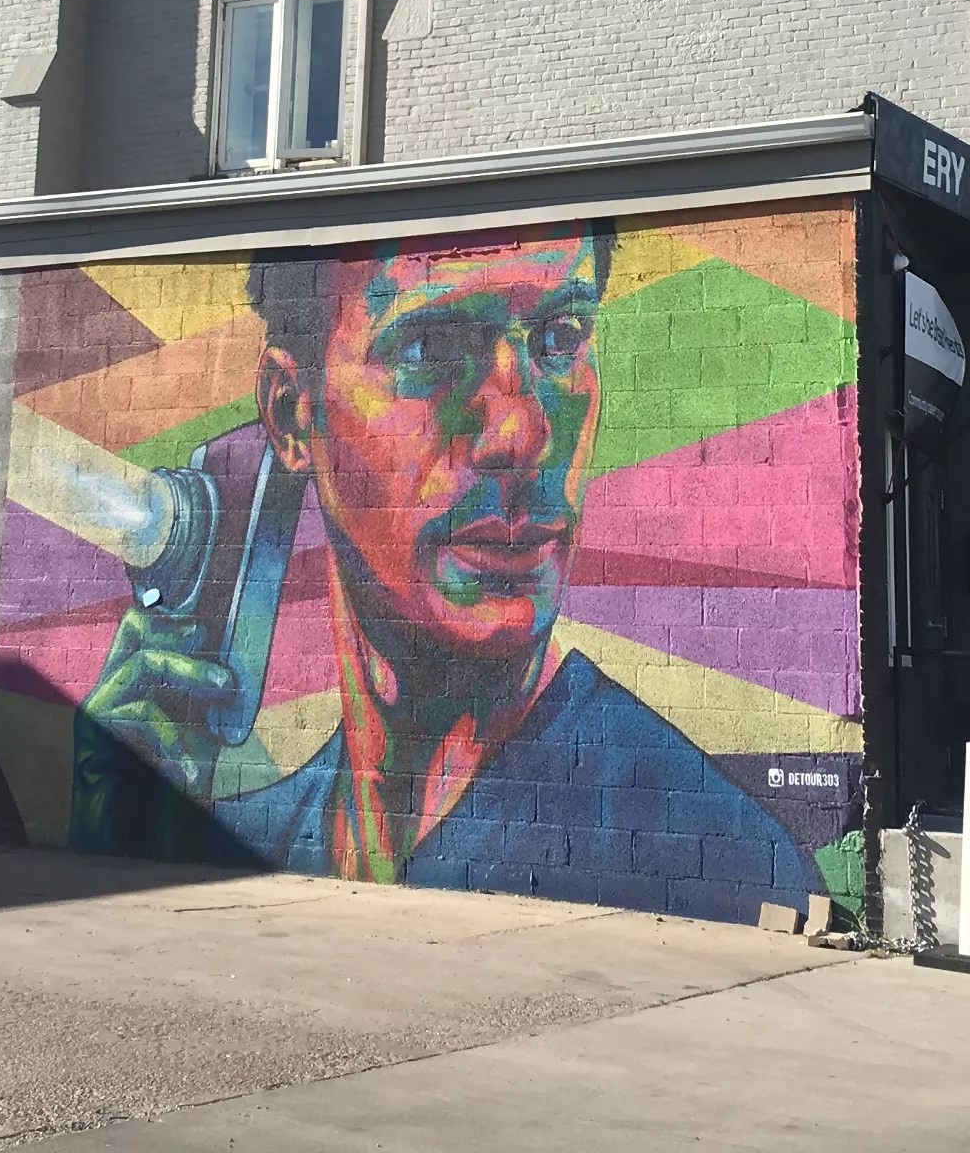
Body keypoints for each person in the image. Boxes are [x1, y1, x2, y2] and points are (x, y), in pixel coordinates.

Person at [70, 227, 813, 923]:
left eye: (561, 338)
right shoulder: (244, 835)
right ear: (294, 413)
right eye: (429, 347)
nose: (520, 433)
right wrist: (114, 839)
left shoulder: (730, 859)